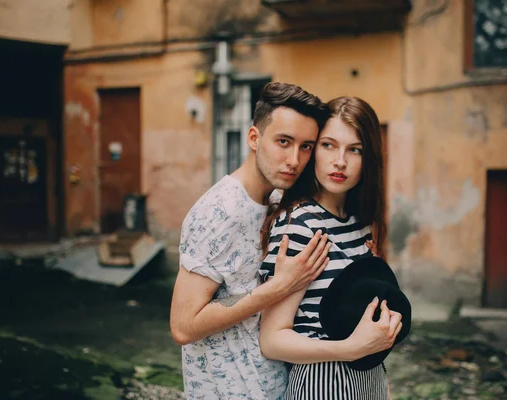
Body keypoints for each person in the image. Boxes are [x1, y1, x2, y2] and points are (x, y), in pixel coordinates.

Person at [170, 82, 333, 399]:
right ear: (254, 138)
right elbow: (183, 325)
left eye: (306, 147)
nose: (294, 160)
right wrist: (278, 287)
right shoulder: (218, 213)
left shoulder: (275, 199)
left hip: (273, 386)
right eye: (283, 142)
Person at [259, 96, 403, 399]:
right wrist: (349, 349)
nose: (341, 161)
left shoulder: (360, 222)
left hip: (370, 381)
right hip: (321, 383)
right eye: (328, 145)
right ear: (313, 151)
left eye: (355, 150)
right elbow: (272, 340)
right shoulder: (300, 224)